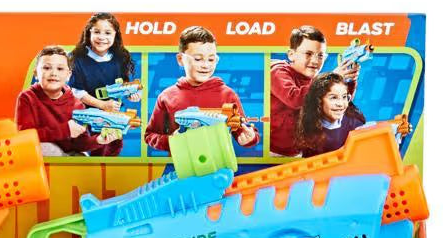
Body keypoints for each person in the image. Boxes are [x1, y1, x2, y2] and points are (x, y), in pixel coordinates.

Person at [144, 26, 259, 153]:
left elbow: (243, 129)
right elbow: (150, 135)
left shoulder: (228, 95)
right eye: (198, 59)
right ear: (180, 59)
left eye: (211, 59)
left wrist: (250, 138)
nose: (206, 65)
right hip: (181, 162)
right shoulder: (166, 96)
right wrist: (172, 141)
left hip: (220, 163)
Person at [15, 46, 122, 156]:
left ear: (68, 75)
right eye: (46, 68)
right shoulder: (27, 97)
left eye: (60, 69)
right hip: (44, 153)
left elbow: (80, 143)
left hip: (69, 154)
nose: (53, 73)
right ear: (36, 74)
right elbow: (25, 137)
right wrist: (65, 130)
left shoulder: (76, 104)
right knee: (44, 148)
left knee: (84, 157)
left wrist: (98, 140)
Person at [270, 25, 359, 156]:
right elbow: (294, 98)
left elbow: (337, 104)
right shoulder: (277, 72)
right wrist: (331, 77)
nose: (315, 60)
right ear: (291, 55)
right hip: (272, 151)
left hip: (298, 151)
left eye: (320, 55)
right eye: (308, 54)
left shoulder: (314, 82)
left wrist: (348, 79)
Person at [67, 13, 138, 100]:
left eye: (107, 33)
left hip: (113, 108)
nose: (101, 37)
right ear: (89, 32)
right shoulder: (77, 58)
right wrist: (102, 105)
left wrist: (131, 94)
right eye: (97, 32)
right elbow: (76, 91)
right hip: (84, 108)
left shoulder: (120, 58)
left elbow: (123, 86)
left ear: (115, 35)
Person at [294, 72, 367, 156]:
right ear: (318, 101)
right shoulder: (308, 128)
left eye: (344, 97)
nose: (341, 104)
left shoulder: (355, 124)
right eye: (333, 98)